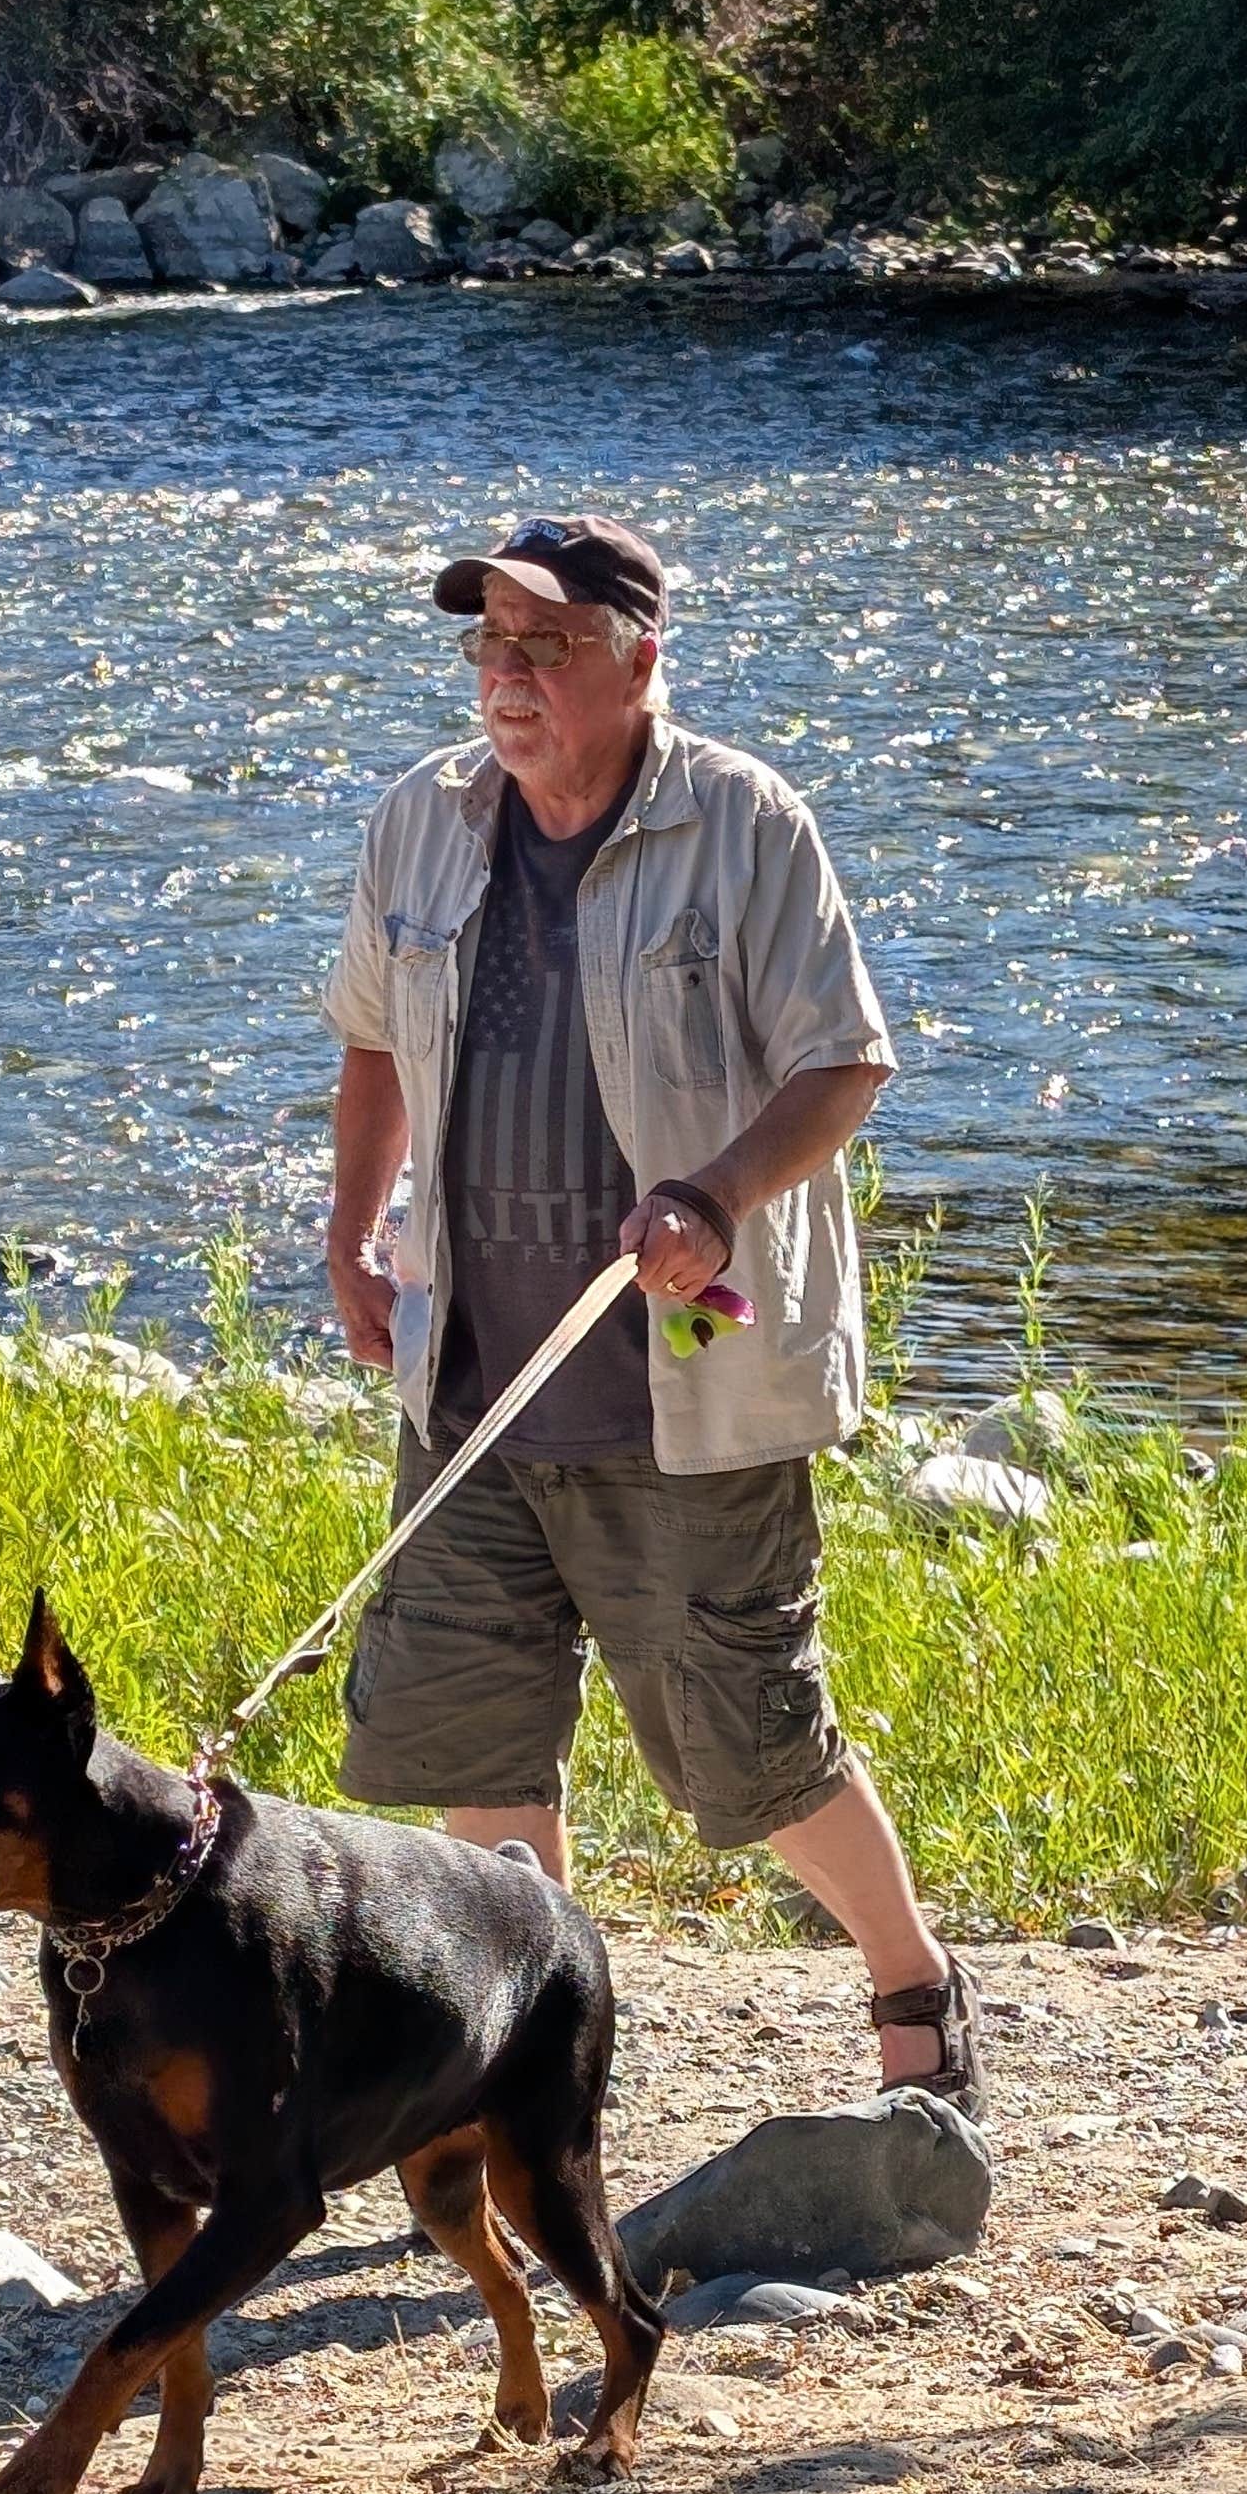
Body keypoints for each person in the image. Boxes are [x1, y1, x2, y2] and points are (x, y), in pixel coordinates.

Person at [319, 509, 981, 2104]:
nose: (507, 676)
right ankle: (535, 2075)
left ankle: (915, 1984)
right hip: (473, 1382)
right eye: (489, 643)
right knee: (478, 1744)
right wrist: (352, 1236)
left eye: (546, 646)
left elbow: (845, 1063)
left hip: (688, 1392)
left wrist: (714, 1197)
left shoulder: (746, 822)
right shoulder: (423, 819)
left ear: (640, 660)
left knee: (753, 1750)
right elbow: (370, 1039)